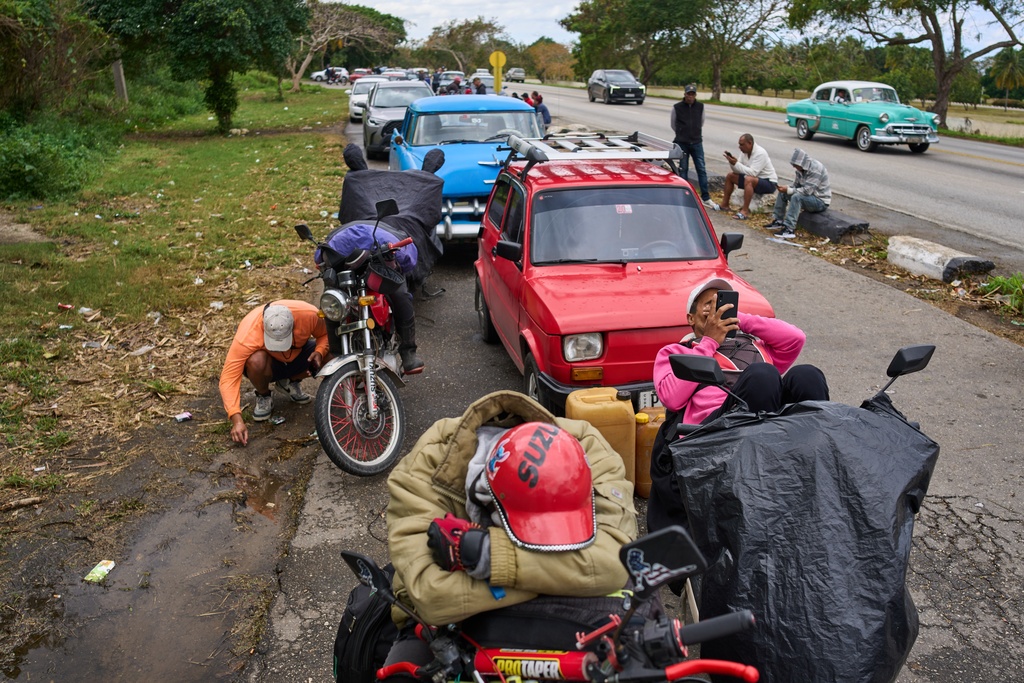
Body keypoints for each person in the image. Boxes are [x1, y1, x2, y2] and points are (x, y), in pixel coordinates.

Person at [382, 391, 637, 674]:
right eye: (537, 530)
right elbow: (433, 598)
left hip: (510, 599)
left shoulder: (587, 448)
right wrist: (565, 575)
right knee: (400, 673)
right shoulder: (422, 471)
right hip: (446, 624)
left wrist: (489, 556)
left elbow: (615, 564)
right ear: (489, 501)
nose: (550, 544)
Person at [653, 278, 828, 426]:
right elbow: (671, 399)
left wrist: (739, 319)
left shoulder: (753, 345)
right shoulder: (677, 351)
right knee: (762, 375)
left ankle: (821, 445)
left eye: (720, 304)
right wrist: (710, 341)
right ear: (691, 318)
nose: (716, 310)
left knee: (807, 375)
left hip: (773, 418)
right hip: (717, 426)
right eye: (709, 304)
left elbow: (795, 337)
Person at [219, 300, 329, 446]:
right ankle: (264, 395)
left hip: (299, 355)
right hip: (269, 364)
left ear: (294, 325)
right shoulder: (248, 333)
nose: (281, 347)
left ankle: (289, 382)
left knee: (333, 353)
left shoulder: (309, 314)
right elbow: (228, 379)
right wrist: (236, 419)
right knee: (255, 361)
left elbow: (326, 334)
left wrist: (320, 352)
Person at [670, 84, 716, 212]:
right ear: (684, 94)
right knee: (683, 169)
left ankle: (705, 196)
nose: (690, 97)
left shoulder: (700, 107)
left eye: (692, 94)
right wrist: (681, 133)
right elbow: (673, 124)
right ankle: (684, 194)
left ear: (695, 95)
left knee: (701, 168)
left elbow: (701, 122)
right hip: (682, 142)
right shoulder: (677, 107)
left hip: (696, 141)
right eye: (688, 94)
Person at [769, 148, 832, 239]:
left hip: (820, 200)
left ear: (802, 163)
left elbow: (807, 191)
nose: (794, 167)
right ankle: (778, 220)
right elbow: (796, 186)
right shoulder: (800, 169)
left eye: (795, 165)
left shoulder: (815, 168)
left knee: (797, 197)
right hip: (809, 197)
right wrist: (786, 189)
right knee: (783, 193)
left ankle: (790, 228)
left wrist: (789, 190)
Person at [718, 133, 778, 220]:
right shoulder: (744, 153)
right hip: (755, 180)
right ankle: (724, 205)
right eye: (739, 144)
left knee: (749, 179)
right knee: (730, 176)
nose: (739, 147)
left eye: (742, 145)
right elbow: (738, 170)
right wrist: (732, 163)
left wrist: (737, 164)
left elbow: (753, 173)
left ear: (750, 143)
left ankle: (745, 211)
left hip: (769, 183)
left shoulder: (760, 153)